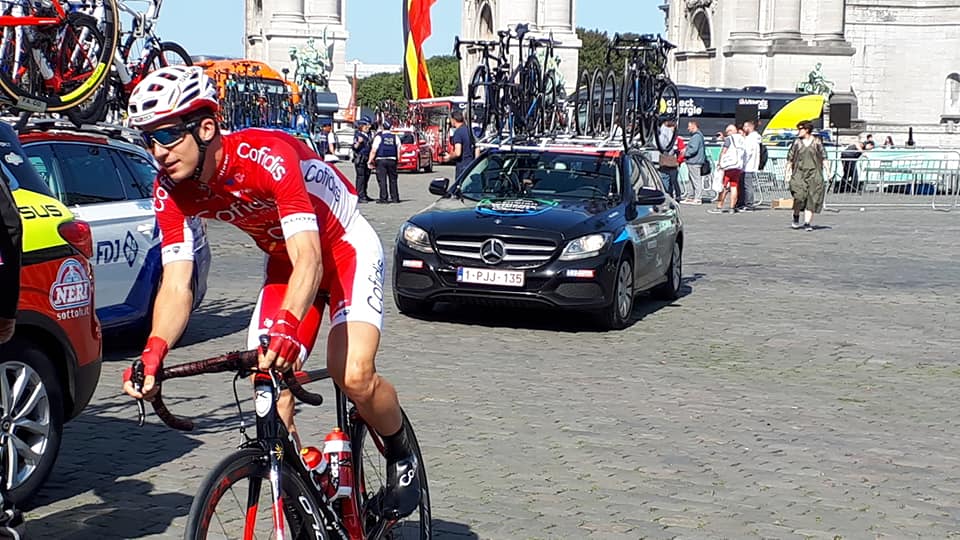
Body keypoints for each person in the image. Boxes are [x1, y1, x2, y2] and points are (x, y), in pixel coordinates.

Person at [119, 66, 420, 518]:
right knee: (268, 390)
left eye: (167, 134)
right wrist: (154, 350)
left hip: (341, 248)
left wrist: (285, 328)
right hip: (287, 262)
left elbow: (312, 260)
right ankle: (302, 500)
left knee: (352, 374)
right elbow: (177, 283)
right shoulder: (172, 191)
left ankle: (402, 456)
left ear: (206, 127)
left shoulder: (268, 156)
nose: (157, 152)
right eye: (149, 139)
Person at [786, 120, 828, 231]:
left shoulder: (817, 142)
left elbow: (824, 156)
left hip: (814, 172)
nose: (798, 131)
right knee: (799, 196)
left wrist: (828, 171)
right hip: (799, 173)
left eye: (800, 129)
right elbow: (790, 158)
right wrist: (787, 173)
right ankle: (796, 216)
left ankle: (807, 222)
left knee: (812, 197)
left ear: (807, 130)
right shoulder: (796, 142)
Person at [709, 124, 746, 214]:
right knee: (734, 186)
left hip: (729, 165)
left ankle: (719, 206)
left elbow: (724, 151)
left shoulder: (730, 138)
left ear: (730, 131)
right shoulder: (741, 139)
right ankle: (732, 207)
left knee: (723, 186)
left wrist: (720, 163)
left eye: (727, 131)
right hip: (738, 165)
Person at [368, 120, 401, 204]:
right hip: (392, 159)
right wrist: (398, 160)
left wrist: (370, 160)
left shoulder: (379, 137)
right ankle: (395, 198)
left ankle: (384, 198)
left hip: (381, 160)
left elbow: (374, 150)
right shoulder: (395, 137)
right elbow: (398, 150)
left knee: (382, 180)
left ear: (382, 127)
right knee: (393, 179)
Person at [442, 110, 475, 180]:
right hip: (472, 165)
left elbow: (457, 153)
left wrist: (449, 157)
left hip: (462, 166)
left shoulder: (458, 132)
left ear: (453, 120)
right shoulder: (470, 130)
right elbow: (477, 148)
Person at [738, 120, 762, 210]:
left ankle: (749, 204)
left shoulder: (750, 139)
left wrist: (742, 162)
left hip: (748, 166)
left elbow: (747, 153)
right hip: (751, 165)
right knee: (746, 185)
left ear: (750, 127)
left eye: (745, 127)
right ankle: (746, 202)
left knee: (747, 186)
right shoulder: (755, 139)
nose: (744, 129)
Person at [681, 120, 706, 204]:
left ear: (693, 126)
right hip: (693, 161)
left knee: (696, 180)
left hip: (694, 161)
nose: (688, 128)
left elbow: (694, 149)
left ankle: (698, 198)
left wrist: (685, 153)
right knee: (692, 179)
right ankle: (691, 197)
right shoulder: (698, 136)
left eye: (689, 126)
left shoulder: (696, 137)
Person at [352, 116, 374, 202]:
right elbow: (354, 147)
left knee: (366, 176)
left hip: (367, 158)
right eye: (366, 125)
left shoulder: (368, 135)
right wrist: (358, 142)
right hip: (360, 158)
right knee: (361, 177)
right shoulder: (358, 134)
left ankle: (364, 194)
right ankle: (359, 195)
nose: (368, 127)